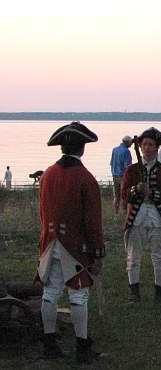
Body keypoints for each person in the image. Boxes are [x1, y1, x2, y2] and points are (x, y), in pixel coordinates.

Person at [35, 122, 104, 363]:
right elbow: (92, 220)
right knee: (78, 296)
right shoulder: (85, 178)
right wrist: (97, 251)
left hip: (49, 242)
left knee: (50, 292)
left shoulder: (47, 174)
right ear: (82, 148)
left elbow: (43, 214)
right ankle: (82, 346)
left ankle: (49, 343)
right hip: (74, 246)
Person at [121, 127, 161, 303]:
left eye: (150, 144)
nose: (146, 147)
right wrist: (136, 190)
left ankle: (159, 294)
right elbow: (124, 195)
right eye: (144, 144)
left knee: (159, 257)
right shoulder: (131, 170)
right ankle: (134, 293)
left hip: (157, 218)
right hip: (136, 218)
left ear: (156, 148)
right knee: (133, 257)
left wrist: (153, 194)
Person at [109, 136, 133, 212]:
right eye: (131, 142)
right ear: (127, 142)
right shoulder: (126, 151)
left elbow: (111, 163)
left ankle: (116, 213)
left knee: (116, 196)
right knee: (124, 195)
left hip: (114, 175)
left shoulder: (115, 149)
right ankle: (124, 212)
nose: (131, 144)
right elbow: (127, 167)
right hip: (123, 176)